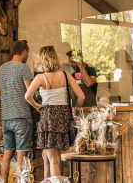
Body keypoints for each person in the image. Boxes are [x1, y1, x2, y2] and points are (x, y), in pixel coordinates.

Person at [25, 46, 85, 179]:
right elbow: (81, 96)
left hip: (48, 117)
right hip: (63, 117)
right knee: (47, 156)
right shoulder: (65, 75)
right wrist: (75, 109)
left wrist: (37, 106)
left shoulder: (41, 77)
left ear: (41, 60)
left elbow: (27, 96)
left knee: (53, 159)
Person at [0, 40, 33, 183]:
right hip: (21, 117)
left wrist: (8, 100)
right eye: (27, 52)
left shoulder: (1, 69)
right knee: (21, 156)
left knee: (7, 154)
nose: (27, 55)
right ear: (23, 51)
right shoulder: (24, 68)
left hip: (6, 118)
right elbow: (30, 91)